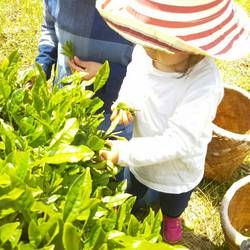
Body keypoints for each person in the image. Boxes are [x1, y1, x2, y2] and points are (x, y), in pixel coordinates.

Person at [97, 0, 250, 243]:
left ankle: (171, 219)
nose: (150, 47)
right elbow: (134, 80)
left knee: (174, 199)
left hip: (178, 167)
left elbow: (179, 142)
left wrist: (124, 152)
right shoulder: (144, 52)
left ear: (196, 47)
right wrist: (125, 102)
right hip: (143, 146)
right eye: (147, 37)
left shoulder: (204, 84)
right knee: (134, 185)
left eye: (164, 44)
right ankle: (129, 207)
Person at [35, 0, 134, 180]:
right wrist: (42, 64)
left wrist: (109, 74)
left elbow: (153, 67)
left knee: (110, 178)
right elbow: (50, 29)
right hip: (66, 105)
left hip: (114, 117)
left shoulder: (140, 9)